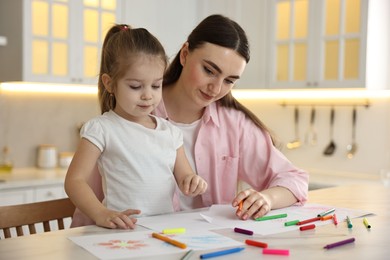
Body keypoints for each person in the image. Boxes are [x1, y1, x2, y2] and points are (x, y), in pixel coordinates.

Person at [70, 14, 309, 227]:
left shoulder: (235, 125)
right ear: (185, 54)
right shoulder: (126, 117)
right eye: (209, 70)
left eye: (229, 80)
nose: (216, 88)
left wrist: (267, 198)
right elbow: (87, 200)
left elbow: (295, 179)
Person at [64, 24, 207, 230]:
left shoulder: (171, 133)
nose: (148, 95)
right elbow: (74, 181)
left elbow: (185, 176)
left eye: (156, 85)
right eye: (135, 86)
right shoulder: (101, 129)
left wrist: (193, 182)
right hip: (122, 232)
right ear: (109, 84)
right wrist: (100, 213)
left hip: (163, 230)